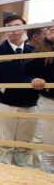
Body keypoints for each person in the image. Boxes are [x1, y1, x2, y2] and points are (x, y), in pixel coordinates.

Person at [0, 14, 39, 167]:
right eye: (9, 28)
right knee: (4, 145)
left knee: (25, 146)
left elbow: (40, 74)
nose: (13, 31)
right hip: (5, 103)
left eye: (17, 26)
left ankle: (23, 178)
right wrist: (2, 87)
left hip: (30, 104)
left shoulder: (34, 51)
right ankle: (2, 180)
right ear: (5, 31)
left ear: (24, 29)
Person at [26, 23, 54, 173]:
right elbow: (28, 73)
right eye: (50, 27)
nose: (51, 28)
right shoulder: (41, 53)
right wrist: (35, 79)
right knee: (49, 150)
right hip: (49, 102)